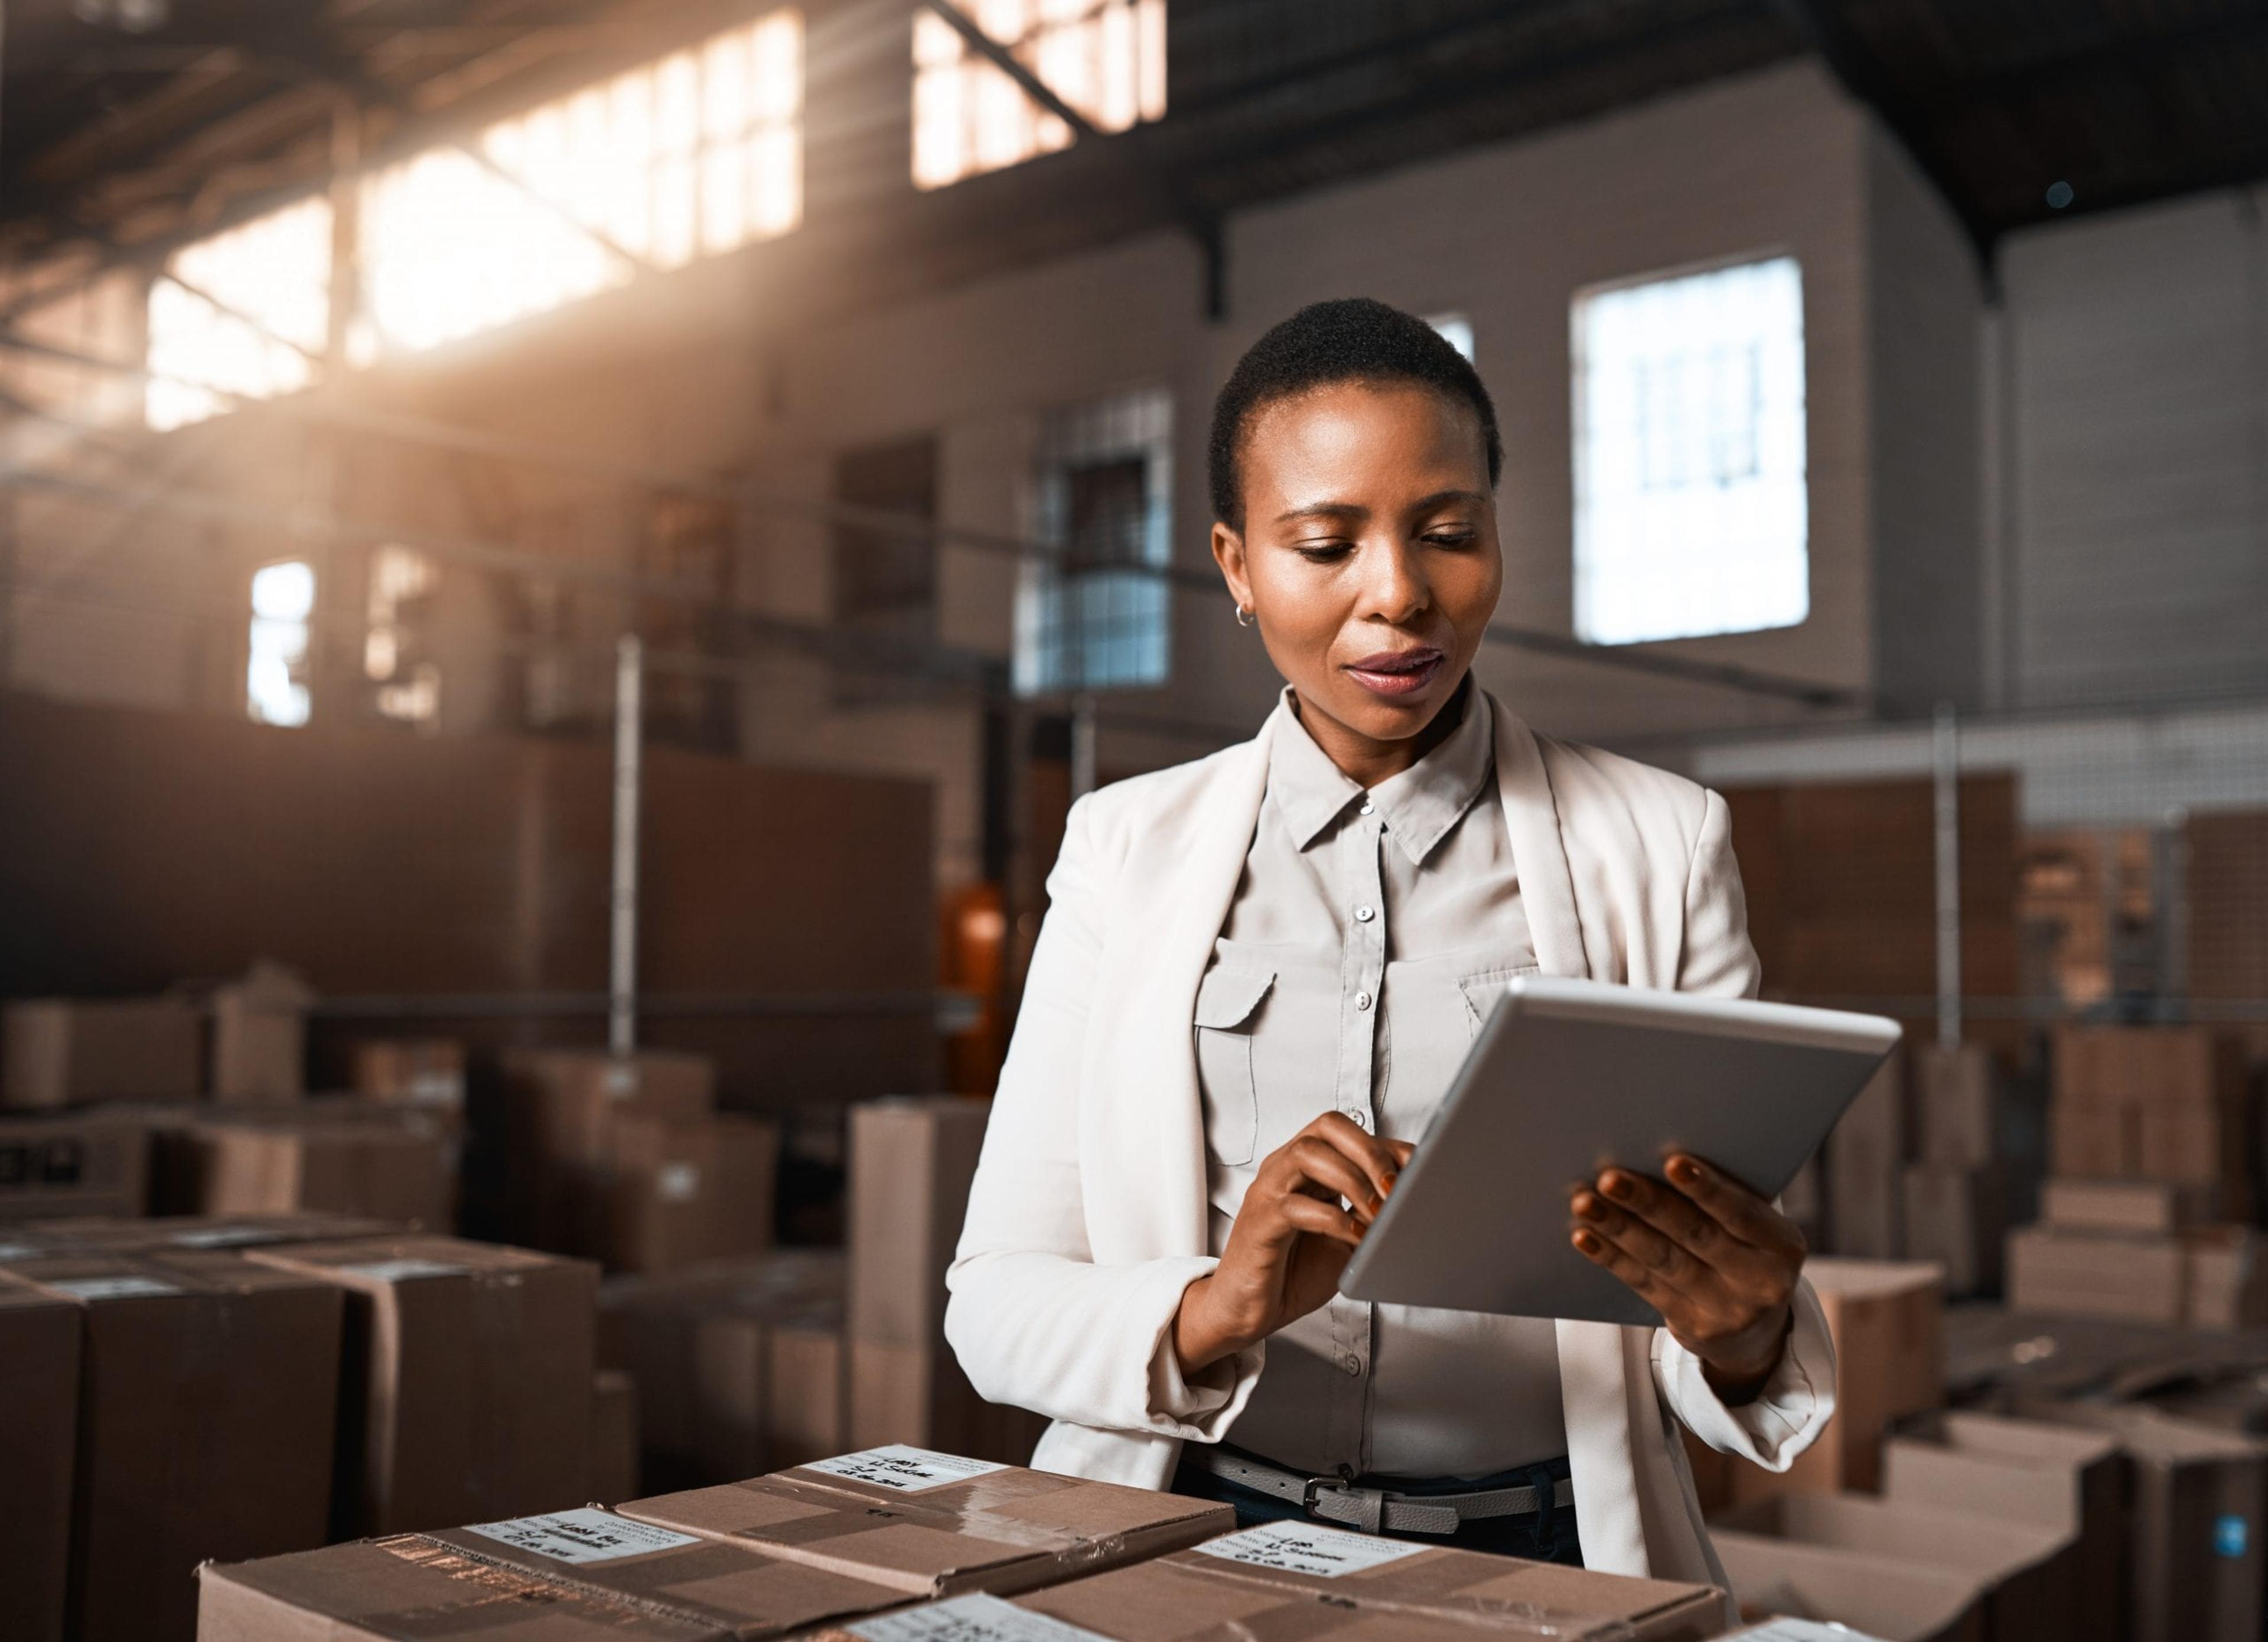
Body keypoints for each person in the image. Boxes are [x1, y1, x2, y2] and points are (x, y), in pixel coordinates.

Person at [944, 298, 1833, 1587]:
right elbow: (998, 1300)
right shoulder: (1125, 847)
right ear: (1238, 566)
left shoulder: (1661, 841)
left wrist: (1743, 1329)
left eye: (1449, 533)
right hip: (1190, 1533)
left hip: (1543, 1553)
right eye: (1324, 542)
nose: (1402, 593)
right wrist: (1217, 1308)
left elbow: (1707, 1327)